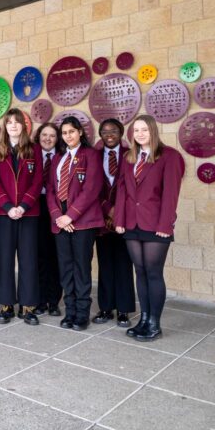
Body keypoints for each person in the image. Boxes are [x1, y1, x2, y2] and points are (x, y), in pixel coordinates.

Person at [115, 114, 185, 341]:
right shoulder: (129, 157)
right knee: (140, 271)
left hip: (156, 224)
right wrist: (119, 220)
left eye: (144, 130)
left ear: (153, 131)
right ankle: (144, 319)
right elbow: (123, 191)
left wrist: (166, 224)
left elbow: (171, 193)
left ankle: (155, 323)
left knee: (153, 272)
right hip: (132, 223)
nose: (140, 134)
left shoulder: (169, 156)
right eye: (136, 130)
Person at [46, 116, 102, 331]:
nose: (68, 136)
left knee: (81, 268)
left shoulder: (91, 155)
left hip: (82, 222)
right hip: (60, 222)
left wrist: (71, 215)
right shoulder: (58, 158)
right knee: (66, 268)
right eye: (65, 133)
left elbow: (91, 189)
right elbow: (51, 189)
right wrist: (58, 216)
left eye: (71, 131)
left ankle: (81, 313)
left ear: (80, 132)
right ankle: (69, 311)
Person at [0, 109, 43, 325]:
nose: (13, 125)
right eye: (9, 122)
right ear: (5, 127)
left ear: (23, 125)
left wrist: (23, 205)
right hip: (4, 213)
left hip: (29, 212)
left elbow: (38, 180)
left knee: (29, 260)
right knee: (5, 260)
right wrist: (9, 206)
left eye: (17, 122)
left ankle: (28, 306)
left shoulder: (34, 149)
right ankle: (6, 305)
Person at [94, 118, 135, 327]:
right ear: (100, 134)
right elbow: (91, 187)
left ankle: (124, 310)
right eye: (105, 131)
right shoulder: (95, 156)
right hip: (101, 221)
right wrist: (106, 209)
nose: (109, 135)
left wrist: (117, 211)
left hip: (124, 219)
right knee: (105, 264)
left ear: (121, 133)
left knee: (124, 264)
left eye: (113, 131)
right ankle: (105, 308)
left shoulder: (131, 155)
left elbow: (134, 188)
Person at [33, 122, 62, 317]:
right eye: (44, 135)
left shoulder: (61, 157)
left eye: (52, 135)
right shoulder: (33, 155)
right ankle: (40, 299)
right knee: (38, 256)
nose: (48, 139)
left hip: (58, 209)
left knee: (56, 256)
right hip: (35, 207)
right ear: (38, 136)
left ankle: (54, 301)